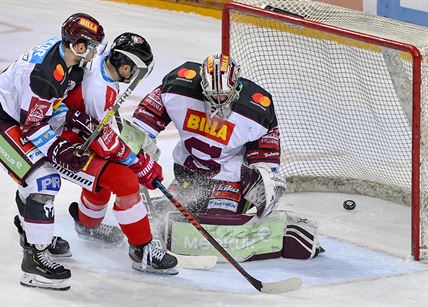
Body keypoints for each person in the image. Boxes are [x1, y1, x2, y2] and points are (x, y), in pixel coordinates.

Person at [131, 54, 324, 261]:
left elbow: (265, 163)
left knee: (218, 223)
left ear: (236, 88)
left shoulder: (256, 108)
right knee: (166, 216)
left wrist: (265, 181)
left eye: (223, 96)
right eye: (211, 95)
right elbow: (140, 129)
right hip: (188, 174)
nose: (217, 102)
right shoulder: (179, 87)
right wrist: (138, 148)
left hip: (230, 181)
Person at [0, 13, 105, 290]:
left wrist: (68, 117)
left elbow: (45, 107)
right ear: (78, 46)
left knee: (39, 170)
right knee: (44, 178)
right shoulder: (46, 73)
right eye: (91, 46)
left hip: (7, 112)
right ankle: (34, 261)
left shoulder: (64, 55)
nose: (94, 52)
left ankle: (30, 229)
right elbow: (32, 125)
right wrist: (59, 148)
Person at [58, 32, 178, 274]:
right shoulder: (98, 92)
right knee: (124, 180)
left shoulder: (101, 57)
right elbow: (102, 143)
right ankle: (142, 250)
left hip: (71, 128)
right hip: (59, 143)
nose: (135, 76)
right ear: (124, 67)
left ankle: (87, 224)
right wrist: (139, 163)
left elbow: (99, 129)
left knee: (105, 174)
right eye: (134, 71)